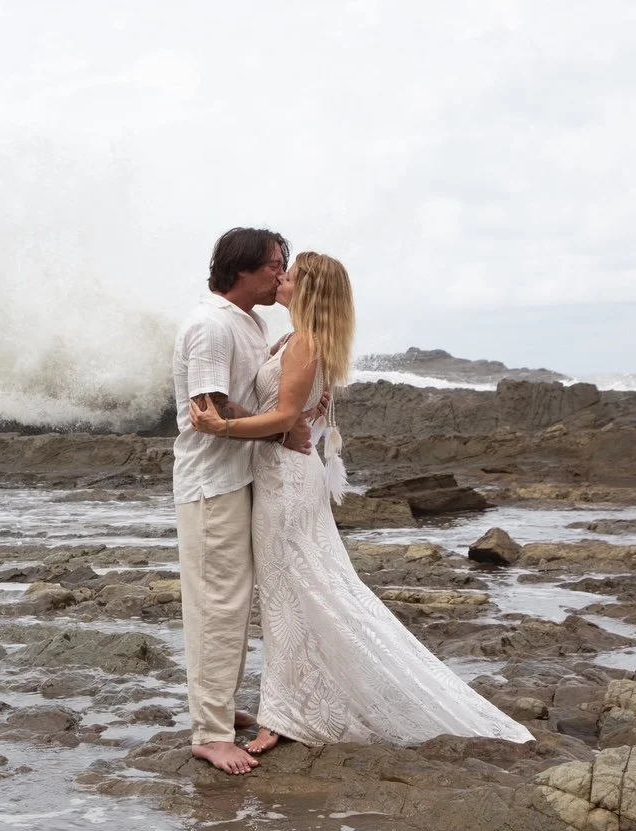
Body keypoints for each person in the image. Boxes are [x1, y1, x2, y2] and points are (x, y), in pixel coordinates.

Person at [191, 251, 534, 752]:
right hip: (280, 475)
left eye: (292, 274)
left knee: (294, 593)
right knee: (295, 593)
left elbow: (285, 417)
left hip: (287, 482)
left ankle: (285, 716)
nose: (281, 278)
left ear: (308, 290)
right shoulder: (292, 339)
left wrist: (221, 426)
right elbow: (291, 415)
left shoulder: (305, 344)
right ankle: (290, 706)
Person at [171, 227, 323, 776]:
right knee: (218, 605)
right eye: (274, 266)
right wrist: (280, 433)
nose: (282, 277)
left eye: (285, 267)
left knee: (232, 601)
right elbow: (207, 410)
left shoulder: (249, 321)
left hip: (238, 478)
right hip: (211, 483)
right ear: (242, 270)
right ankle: (209, 733)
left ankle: (216, 705)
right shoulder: (211, 325)